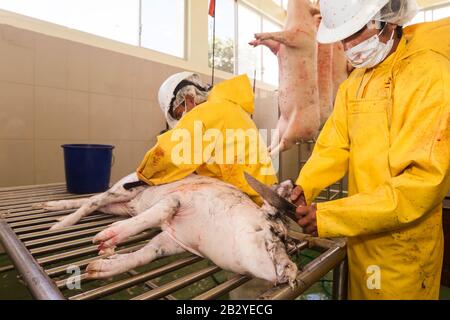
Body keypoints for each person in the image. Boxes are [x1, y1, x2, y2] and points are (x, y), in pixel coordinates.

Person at [291, 0, 450, 299]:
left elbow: (421, 184)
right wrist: (304, 185)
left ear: (387, 19)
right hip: (362, 237)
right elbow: (334, 145)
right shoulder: (355, 83)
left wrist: (329, 216)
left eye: (356, 32)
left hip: (404, 250)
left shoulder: (431, 75)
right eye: (343, 37)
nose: (348, 46)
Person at [136, 72, 277, 205]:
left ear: (188, 99)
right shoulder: (227, 107)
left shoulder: (206, 112)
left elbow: (170, 154)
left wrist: (143, 177)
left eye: (179, 114)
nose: (181, 120)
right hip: (266, 196)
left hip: (253, 202)